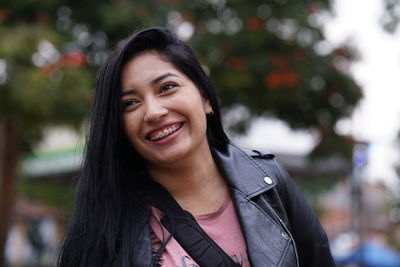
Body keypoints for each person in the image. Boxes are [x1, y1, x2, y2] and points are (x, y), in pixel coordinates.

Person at [58, 27, 335, 267]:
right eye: (130, 103)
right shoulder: (104, 222)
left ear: (205, 98)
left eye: (166, 87)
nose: (153, 112)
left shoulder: (267, 182)